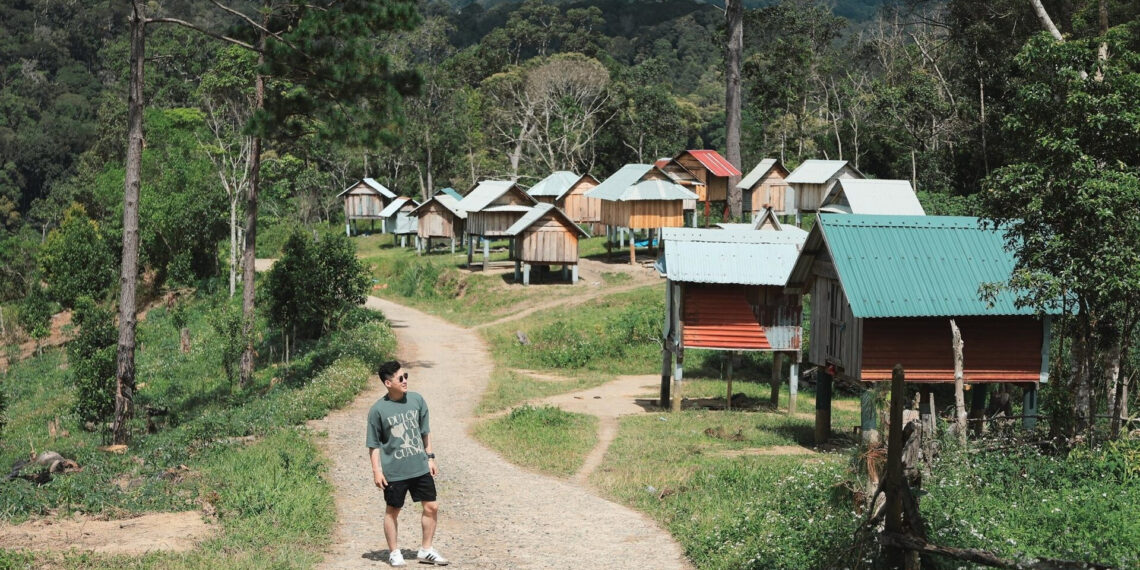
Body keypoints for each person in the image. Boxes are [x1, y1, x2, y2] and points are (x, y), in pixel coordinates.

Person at [367, 360, 448, 567]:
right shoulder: (378, 410)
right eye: (400, 378)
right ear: (388, 383)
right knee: (392, 510)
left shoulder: (417, 400)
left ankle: (426, 550)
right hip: (395, 471)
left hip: (419, 466)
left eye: (406, 377)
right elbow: (374, 445)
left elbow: (425, 432)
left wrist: (430, 457)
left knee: (431, 506)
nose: (405, 381)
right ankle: (394, 552)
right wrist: (377, 471)